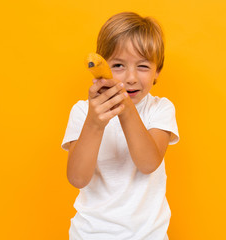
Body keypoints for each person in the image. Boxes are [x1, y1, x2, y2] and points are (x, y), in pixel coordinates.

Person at [61, 12, 179, 240]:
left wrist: (124, 107)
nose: (131, 77)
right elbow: (77, 178)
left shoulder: (160, 109)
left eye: (143, 66)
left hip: (149, 235)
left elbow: (148, 163)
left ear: (158, 70)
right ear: (102, 68)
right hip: (90, 234)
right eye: (118, 65)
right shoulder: (83, 112)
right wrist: (94, 124)